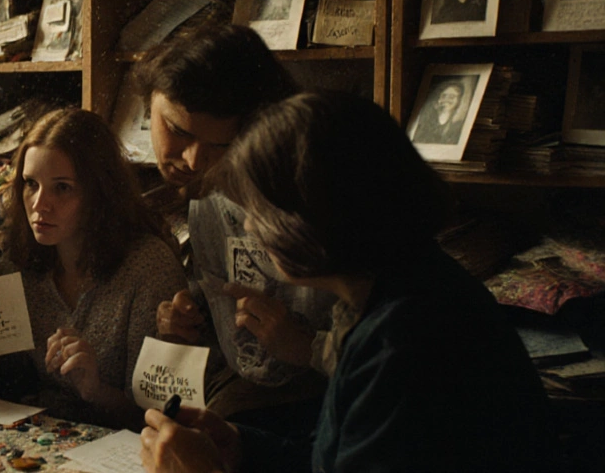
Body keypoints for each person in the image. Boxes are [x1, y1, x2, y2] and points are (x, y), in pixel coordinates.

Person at [140, 91, 554, 473]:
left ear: (316, 212)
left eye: (261, 208)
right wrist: (242, 448)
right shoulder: (393, 293)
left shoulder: (403, 344)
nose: (250, 225)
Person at [136, 25, 332, 437]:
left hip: (327, 400)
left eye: (221, 145)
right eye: (179, 130)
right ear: (148, 103)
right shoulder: (204, 191)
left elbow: (394, 348)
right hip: (241, 393)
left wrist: (306, 347)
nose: (193, 160)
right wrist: (192, 319)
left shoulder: (310, 191)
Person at [0, 108, 184, 429]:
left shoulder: (148, 267)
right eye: (30, 184)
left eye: (62, 187)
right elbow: (9, 383)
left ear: (99, 192)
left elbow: (161, 417)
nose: (40, 204)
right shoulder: (17, 265)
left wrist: (95, 390)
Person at [411, 79, 467, 145]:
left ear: (459, 100)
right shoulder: (426, 121)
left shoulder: (459, 125)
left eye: (452, 97)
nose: (446, 99)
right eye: (444, 96)